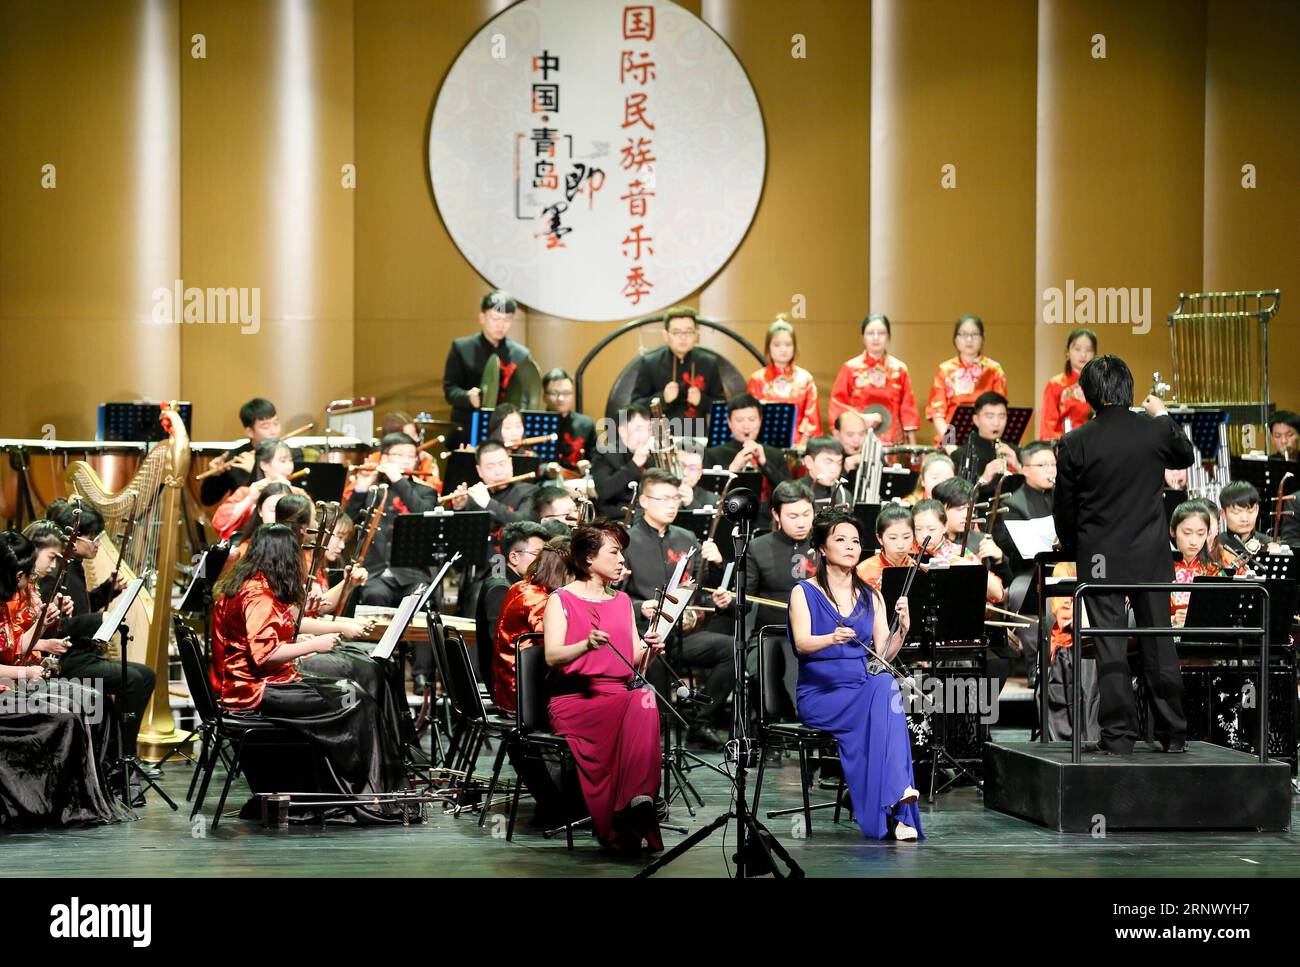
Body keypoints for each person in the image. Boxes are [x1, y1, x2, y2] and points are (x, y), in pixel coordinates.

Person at [1053, 354, 1196, 755]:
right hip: (1150, 557)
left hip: (1100, 560)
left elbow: (1064, 508)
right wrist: (1163, 414)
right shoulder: (1153, 432)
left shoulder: (1076, 441)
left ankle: (1118, 738)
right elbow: (1184, 455)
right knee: (1159, 643)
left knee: (1111, 647)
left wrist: (1068, 544)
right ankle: (1173, 735)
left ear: (1089, 394)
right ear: (1128, 389)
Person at [210, 525, 403, 819]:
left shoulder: (252, 584)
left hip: (257, 685)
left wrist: (326, 632)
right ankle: (359, 794)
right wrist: (317, 645)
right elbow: (265, 655)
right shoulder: (258, 595)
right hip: (256, 691)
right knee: (357, 702)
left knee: (349, 691)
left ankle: (347, 790)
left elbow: (292, 620)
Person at [787, 509, 922, 841]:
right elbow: (802, 644)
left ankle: (898, 803)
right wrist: (830, 637)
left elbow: (884, 653)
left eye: (855, 541)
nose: (851, 547)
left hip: (861, 691)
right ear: (821, 547)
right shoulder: (803, 592)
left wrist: (902, 630)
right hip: (822, 695)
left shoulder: (872, 595)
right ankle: (897, 803)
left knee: (884, 682)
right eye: (841, 540)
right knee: (884, 696)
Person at [542, 521, 664, 854]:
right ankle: (632, 805)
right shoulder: (561, 600)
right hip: (576, 701)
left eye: (622, 552)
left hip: (618, 698)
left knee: (644, 697)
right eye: (614, 552)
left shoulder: (623, 601)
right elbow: (553, 655)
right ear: (587, 559)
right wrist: (585, 645)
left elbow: (633, 664)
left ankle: (635, 801)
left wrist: (649, 650)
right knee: (641, 701)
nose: (622, 559)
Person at [0, 531, 126, 827]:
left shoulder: (8, 601)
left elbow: (14, 645)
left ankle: (96, 791)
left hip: (13, 682)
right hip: (7, 690)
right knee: (66, 717)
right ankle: (57, 805)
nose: (27, 582)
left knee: (93, 700)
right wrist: (26, 672)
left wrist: (43, 626)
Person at [620, 468, 735, 748]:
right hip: (644, 632)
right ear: (644, 501)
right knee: (653, 652)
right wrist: (638, 606)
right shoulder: (626, 540)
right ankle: (654, 730)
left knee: (734, 649)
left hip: (685, 631)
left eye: (675, 498)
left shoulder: (686, 538)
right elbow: (612, 593)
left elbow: (699, 588)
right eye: (664, 498)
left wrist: (718, 576)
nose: (672, 504)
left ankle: (700, 721)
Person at [31, 502, 156, 759]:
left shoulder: (72, 568)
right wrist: (99, 619)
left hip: (79, 654)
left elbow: (74, 613)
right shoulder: (53, 574)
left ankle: (119, 752)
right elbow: (55, 627)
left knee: (145, 675)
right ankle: (121, 758)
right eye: (94, 537)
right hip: (66, 659)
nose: (98, 543)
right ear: (74, 540)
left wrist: (105, 591)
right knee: (133, 679)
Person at [745, 481, 817, 717]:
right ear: (776, 514)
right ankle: (773, 731)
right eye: (793, 515)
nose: (801, 522)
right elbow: (744, 598)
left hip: (819, 632)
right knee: (760, 670)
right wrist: (729, 601)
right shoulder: (756, 547)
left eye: (807, 514)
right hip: (772, 634)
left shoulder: (825, 544)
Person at [443, 290, 534, 447]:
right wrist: (468, 397)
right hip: (469, 427)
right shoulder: (462, 348)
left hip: (506, 433)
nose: (501, 324)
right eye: (495, 318)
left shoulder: (521, 355)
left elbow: (526, 395)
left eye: (507, 319)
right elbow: (450, 389)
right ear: (482, 317)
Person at [494, 537, 570, 715]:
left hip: (508, 688)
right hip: (523, 698)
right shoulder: (538, 600)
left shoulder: (521, 586)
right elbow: (555, 649)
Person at [475, 521, 549, 700]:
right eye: (538, 555)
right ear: (514, 557)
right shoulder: (502, 589)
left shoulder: (509, 581)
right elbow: (502, 646)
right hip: (510, 688)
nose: (544, 561)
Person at [829, 313, 919, 445]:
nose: (876, 338)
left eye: (881, 333)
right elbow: (837, 403)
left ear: (889, 337)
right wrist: (860, 418)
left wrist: (913, 447)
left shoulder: (899, 369)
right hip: (859, 439)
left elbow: (908, 408)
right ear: (863, 338)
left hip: (892, 440)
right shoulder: (850, 368)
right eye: (870, 333)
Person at [630, 307, 725, 425]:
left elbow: (722, 406)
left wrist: (702, 400)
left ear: (696, 334)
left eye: (689, 332)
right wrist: (662, 398)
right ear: (665, 335)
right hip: (659, 434)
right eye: (676, 332)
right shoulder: (650, 362)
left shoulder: (709, 363)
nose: (683, 337)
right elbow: (635, 406)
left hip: (697, 434)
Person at [703, 393, 792, 514]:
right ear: (729, 422)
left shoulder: (775, 455)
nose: (746, 426)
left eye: (752, 419)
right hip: (727, 517)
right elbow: (705, 494)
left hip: (767, 520)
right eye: (739, 420)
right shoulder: (712, 454)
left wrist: (765, 464)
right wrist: (732, 469)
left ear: (760, 420)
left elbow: (790, 493)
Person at [927, 315, 1007, 445]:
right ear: (955, 339)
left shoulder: (994, 370)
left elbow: (999, 409)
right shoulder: (945, 370)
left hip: (986, 439)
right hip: (952, 440)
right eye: (963, 334)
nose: (969, 339)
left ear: (982, 338)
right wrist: (950, 445)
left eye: (974, 334)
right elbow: (937, 414)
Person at [747, 315, 823, 446]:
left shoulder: (805, 379)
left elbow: (812, 419)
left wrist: (801, 447)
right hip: (763, 444)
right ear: (768, 348)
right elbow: (749, 416)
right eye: (777, 345)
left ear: (794, 347)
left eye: (788, 344)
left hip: (798, 444)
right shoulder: (757, 379)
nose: (783, 349)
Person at [909, 499, 1004, 602]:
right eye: (918, 529)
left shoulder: (957, 553)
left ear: (944, 527)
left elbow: (997, 594)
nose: (924, 535)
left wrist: (972, 567)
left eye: (931, 529)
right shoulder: (906, 552)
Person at [199, 397, 285, 505]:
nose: (274, 431)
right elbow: (208, 500)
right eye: (266, 426)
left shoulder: (289, 455)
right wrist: (214, 476)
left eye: (276, 423)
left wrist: (256, 469)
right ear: (250, 432)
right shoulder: (236, 458)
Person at [210, 438, 299, 539]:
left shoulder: (297, 492)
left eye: (290, 461)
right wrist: (250, 499)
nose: (289, 467)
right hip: (252, 549)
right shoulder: (245, 493)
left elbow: (309, 526)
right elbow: (219, 523)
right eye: (283, 461)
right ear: (264, 465)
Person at [591, 401, 653, 519]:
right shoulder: (605, 452)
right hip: (617, 517)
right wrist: (634, 464)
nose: (645, 435)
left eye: (648, 429)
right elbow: (603, 491)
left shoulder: (653, 454)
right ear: (623, 431)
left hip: (648, 517)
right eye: (638, 429)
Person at [953, 391, 1022, 498]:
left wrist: (1018, 466)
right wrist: (983, 479)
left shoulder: (1015, 451)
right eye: (990, 416)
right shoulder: (960, 455)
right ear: (976, 420)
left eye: (1002, 416)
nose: (996, 423)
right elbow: (957, 499)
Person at [1170, 500, 1222, 628]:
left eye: (1200, 534)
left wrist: (1197, 617)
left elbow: (1222, 612)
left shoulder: (1214, 570)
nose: (1194, 541)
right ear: (1173, 531)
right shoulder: (1159, 569)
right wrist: (1171, 619)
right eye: (1187, 533)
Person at [1040, 328, 1097, 440]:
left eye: (1089, 350)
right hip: (1066, 445)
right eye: (1077, 349)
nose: (1083, 354)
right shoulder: (1055, 385)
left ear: (1095, 354)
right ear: (1067, 352)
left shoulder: (1101, 384)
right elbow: (1048, 427)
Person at [1216, 480, 1286, 570]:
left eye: (1250, 511)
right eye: (1237, 512)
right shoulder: (1216, 546)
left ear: (1257, 510)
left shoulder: (1270, 544)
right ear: (1223, 513)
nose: (1245, 519)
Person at [543, 368, 598, 471]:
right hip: (544, 481)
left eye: (566, 393)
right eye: (554, 393)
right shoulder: (536, 423)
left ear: (573, 395)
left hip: (577, 480)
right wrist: (544, 469)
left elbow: (596, 458)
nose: (561, 399)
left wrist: (588, 464)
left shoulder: (586, 424)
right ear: (544, 396)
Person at [856, 504, 917, 589]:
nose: (900, 545)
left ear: (914, 536)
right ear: (880, 538)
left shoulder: (918, 569)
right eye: (893, 538)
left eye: (906, 537)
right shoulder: (863, 572)